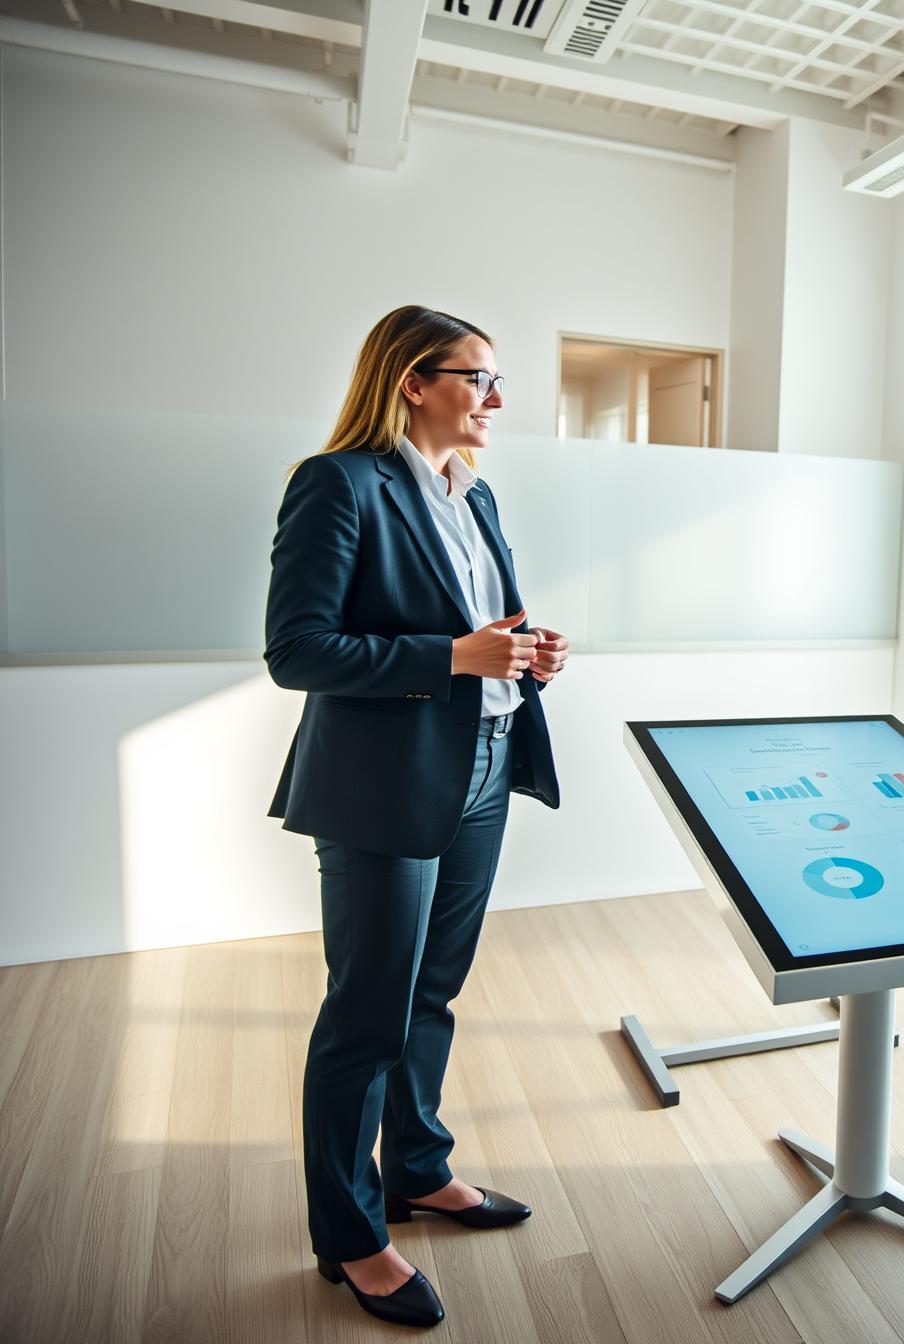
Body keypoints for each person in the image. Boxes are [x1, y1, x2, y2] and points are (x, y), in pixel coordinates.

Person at [265, 305, 569, 1329]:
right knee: (367, 1015)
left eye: (495, 379)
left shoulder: (472, 497)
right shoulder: (339, 482)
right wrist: (448, 658)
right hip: (380, 785)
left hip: (482, 764)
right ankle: (351, 1236)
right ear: (412, 381)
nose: (496, 397)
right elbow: (298, 651)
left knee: (433, 991)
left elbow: (482, 632)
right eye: (478, 377)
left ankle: (418, 1171)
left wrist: (524, 655)